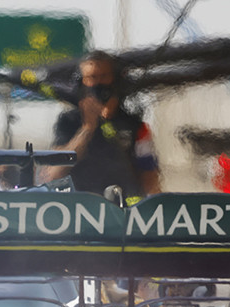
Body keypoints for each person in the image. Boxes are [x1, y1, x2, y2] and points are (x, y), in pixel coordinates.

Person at [46, 50, 161, 204]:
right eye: (92, 77)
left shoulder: (135, 125)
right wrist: (87, 128)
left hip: (122, 211)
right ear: (82, 82)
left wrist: (156, 209)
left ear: (116, 80)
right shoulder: (68, 122)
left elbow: (150, 178)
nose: (98, 83)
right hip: (81, 209)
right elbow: (55, 173)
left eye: (104, 76)